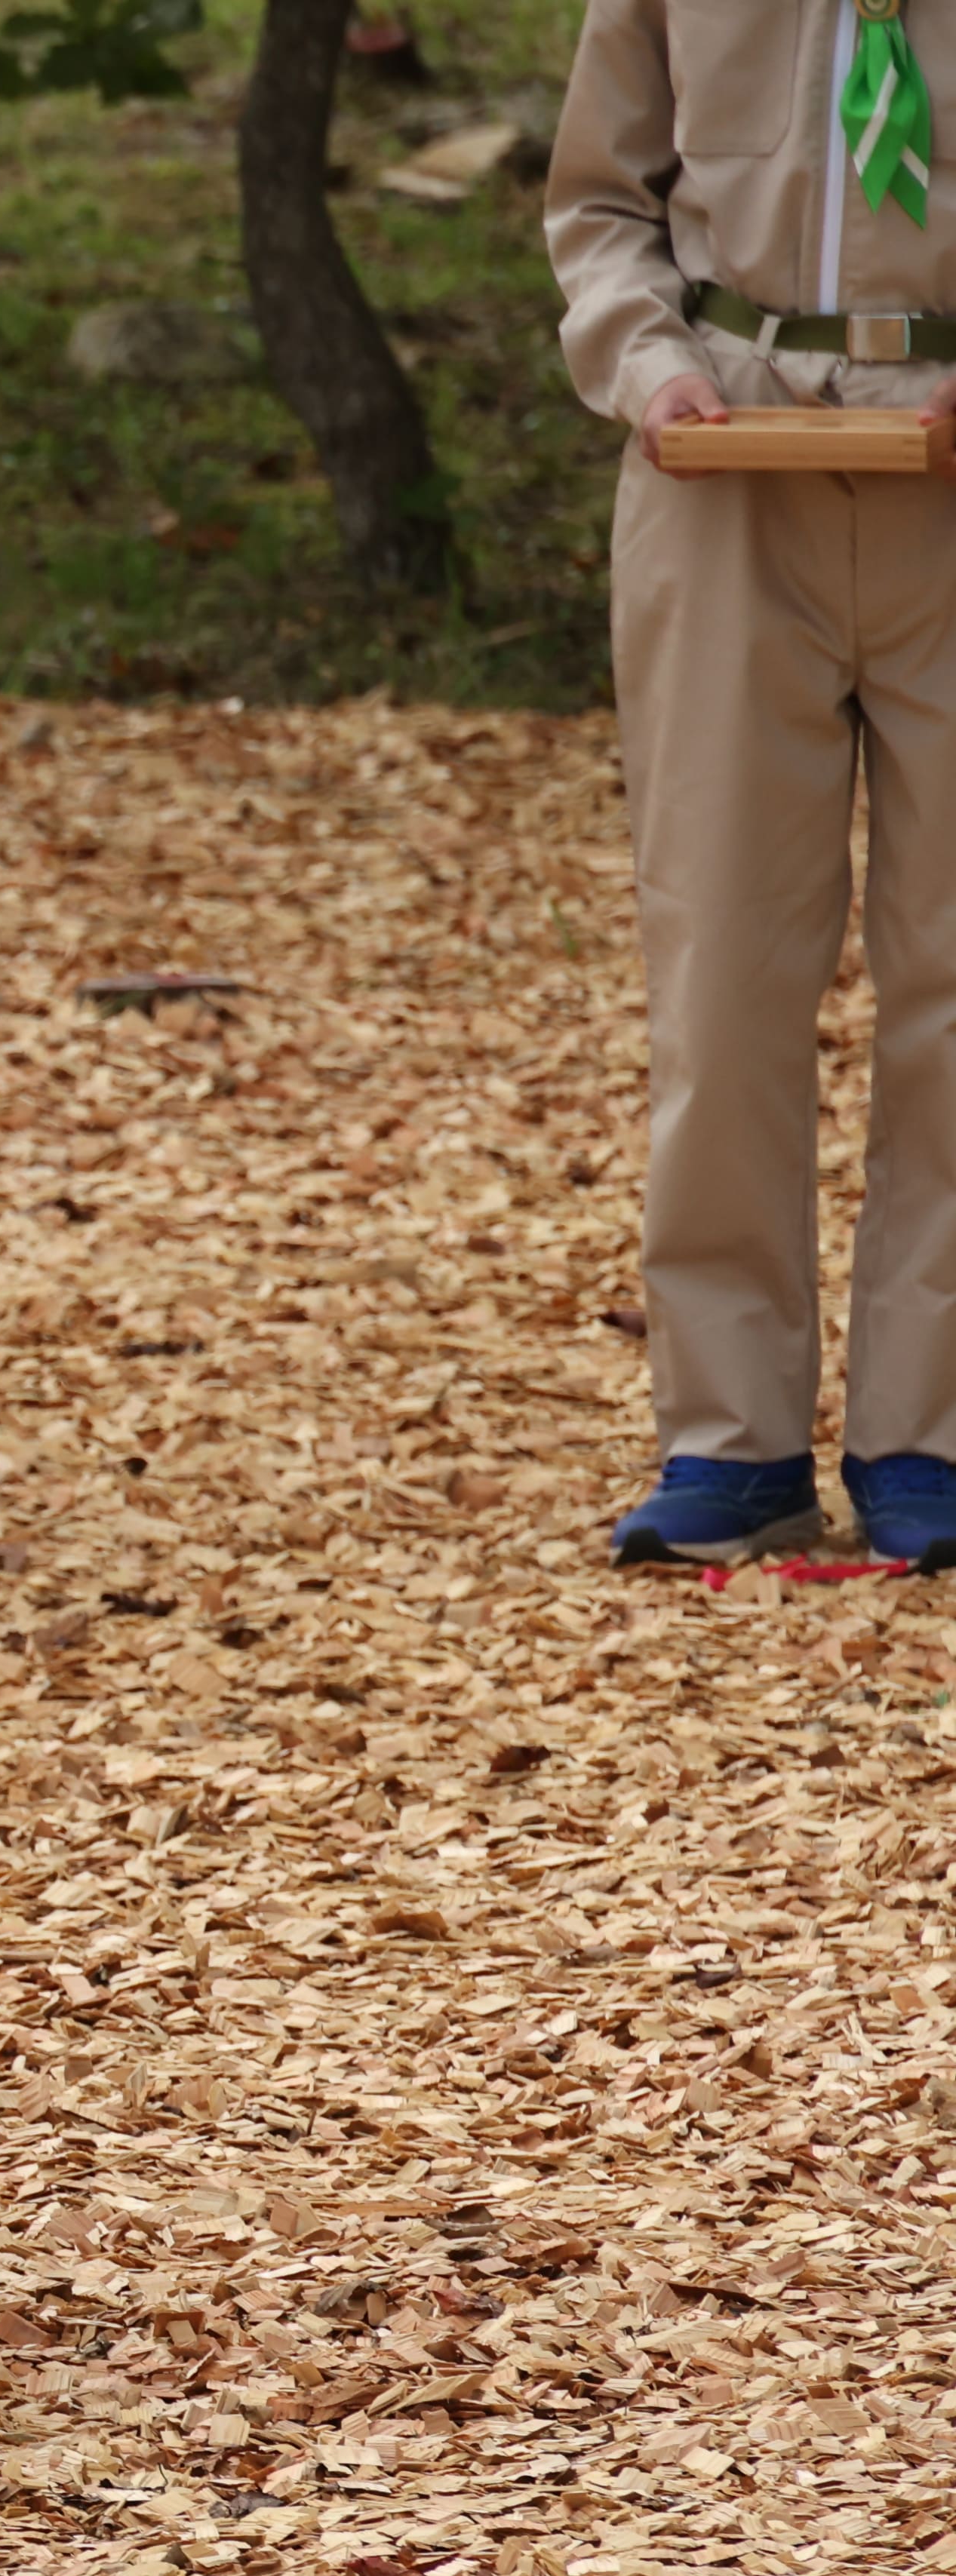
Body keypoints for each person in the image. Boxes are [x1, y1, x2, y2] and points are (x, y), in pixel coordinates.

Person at [549, 0, 956, 1570]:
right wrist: (646, 366)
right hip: (725, 458)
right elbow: (598, 199)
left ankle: (931, 1430)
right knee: (721, 963)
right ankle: (732, 1435)